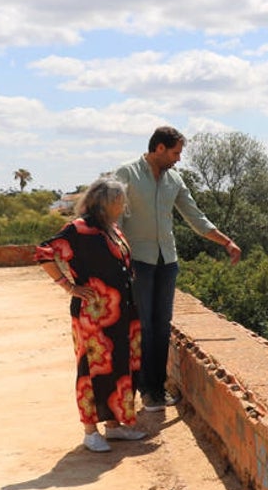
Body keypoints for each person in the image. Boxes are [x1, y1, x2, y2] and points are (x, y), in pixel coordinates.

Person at [116, 126, 241, 412]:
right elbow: (115, 218)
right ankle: (145, 391)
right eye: (175, 153)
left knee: (161, 327)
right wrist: (118, 258)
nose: (178, 159)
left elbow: (195, 217)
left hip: (167, 261)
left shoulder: (174, 179)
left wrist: (227, 242)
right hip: (137, 261)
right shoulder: (126, 173)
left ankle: (156, 389)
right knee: (143, 326)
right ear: (159, 148)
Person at [37, 177, 147, 452]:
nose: (124, 205)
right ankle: (90, 430)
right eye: (120, 200)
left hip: (122, 313)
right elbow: (44, 253)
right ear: (105, 202)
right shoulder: (78, 229)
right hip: (94, 315)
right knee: (92, 370)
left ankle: (114, 427)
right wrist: (68, 286)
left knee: (121, 367)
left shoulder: (111, 228)